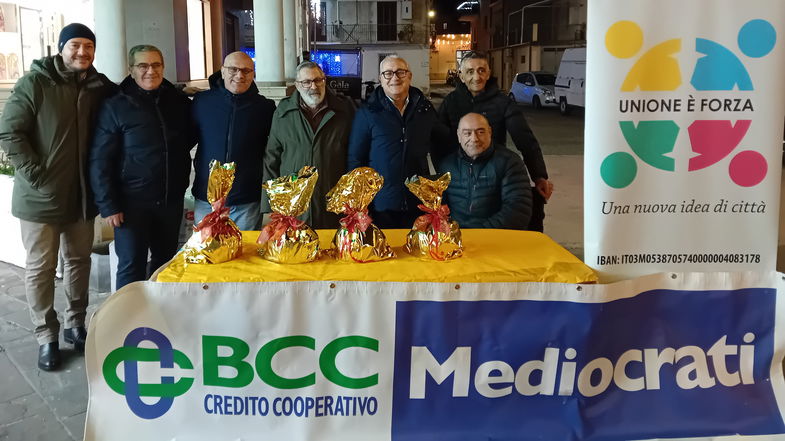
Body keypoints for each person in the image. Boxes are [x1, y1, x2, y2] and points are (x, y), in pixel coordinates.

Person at [0, 23, 115, 371]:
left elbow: (130, 97)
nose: (82, 53)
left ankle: (74, 324)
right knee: (42, 268)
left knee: (79, 262)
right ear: (61, 47)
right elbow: (9, 131)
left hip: (81, 196)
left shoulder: (98, 86)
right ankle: (45, 335)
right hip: (41, 198)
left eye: (88, 47)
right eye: (75, 46)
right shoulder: (36, 83)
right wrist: (37, 175)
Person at [90, 45, 193, 291]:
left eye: (156, 65)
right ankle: (125, 321)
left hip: (169, 200)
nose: (150, 71)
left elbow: (188, 137)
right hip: (130, 204)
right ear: (131, 69)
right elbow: (100, 159)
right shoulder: (116, 105)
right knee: (131, 266)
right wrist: (108, 205)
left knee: (165, 264)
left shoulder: (176, 101)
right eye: (143, 66)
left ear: (163, 67)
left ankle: (160, 319)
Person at [438, 51, 553, 232]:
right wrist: (444, 173)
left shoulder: (502, 102)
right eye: (470, 71)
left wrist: (539, 175)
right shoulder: (450, 102)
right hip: (460, 172)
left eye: (481, 70)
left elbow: (525, 139)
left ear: (489, 72)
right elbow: (438, 141)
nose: (477, 77)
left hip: (494, 172)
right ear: (460, 75)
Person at [347, 55, 448, 228]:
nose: (394, 78)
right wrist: (360, 205)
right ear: (380, 79)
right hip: (381, 206)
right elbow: (356, 159)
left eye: (400, 72)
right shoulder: (368, 113)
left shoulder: (424, 110)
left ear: (409, 76)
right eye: (388, 73)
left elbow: (442, 145)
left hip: (417, 203)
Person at [263, 61, 354, 229]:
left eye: (318, 80)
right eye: (306, 82)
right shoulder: (283, 113)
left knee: (330, 249)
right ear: (297, 85)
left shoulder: (345, 110)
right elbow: (272, 158)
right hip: (292, 204)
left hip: (332, 201)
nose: (313, 86)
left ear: (324, 81)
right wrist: (268, 205)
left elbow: (354, 156)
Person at [192, 51, 276, 230]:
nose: (240, 75)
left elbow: (273, 151)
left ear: (253, 74)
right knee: (206, 254)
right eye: (233, 69)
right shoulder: (202, 103)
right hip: (207, 199)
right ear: (222, 71)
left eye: (246, 71)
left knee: (245, 254)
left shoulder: (265, 108)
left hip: (246, 200)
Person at [438, 113, 532, 229]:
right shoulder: (447, 165)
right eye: (467, 133)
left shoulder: (509, 162)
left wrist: (481, 232)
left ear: (490, 132)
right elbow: (439, 207)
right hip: (455, 237)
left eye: (480, 132)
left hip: (495, 237)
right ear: (458, 136)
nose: (474, 139)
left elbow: (518, 210)